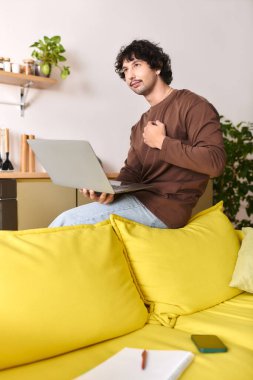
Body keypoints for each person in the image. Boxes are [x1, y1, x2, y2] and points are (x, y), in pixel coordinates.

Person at [49, 39, 226, 229]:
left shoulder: (193, 105)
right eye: (125, 70)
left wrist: (162, 142)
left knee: (66, 222)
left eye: (136, 65)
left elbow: (215, 163)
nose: (130, 75)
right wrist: (108, 191)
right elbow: (132, 174)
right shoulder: (139, 126)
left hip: (165, 208)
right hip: (138, 201)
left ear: (157, 67)